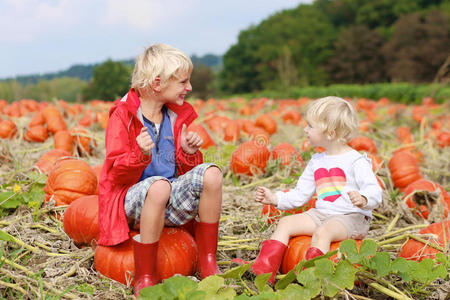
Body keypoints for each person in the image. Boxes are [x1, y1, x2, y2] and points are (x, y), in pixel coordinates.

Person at [97, 43, 223, 297]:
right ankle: (145, 275)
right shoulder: (122, 116)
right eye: (183, 82)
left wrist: (188, 153)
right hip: (130, 203)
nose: (189, 88)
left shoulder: (174, 118)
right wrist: (138, 154)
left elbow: (182, 172)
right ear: (157, 84)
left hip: (167, 197)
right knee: (158, 186)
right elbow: (114, 173)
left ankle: (208, 260)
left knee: (212, 174)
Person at [252, 96, 382, 284]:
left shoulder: (356, 161)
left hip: (351, 217)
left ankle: (311, 278)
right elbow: (300, 194)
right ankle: (264, 270)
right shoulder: (316, 161)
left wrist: (364, 198)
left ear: (330, 133)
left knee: (323, 233)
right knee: (286, 223)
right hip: (322, 214)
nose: (305, 129)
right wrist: (275, 199)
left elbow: (375, 190)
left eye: (310, 126)